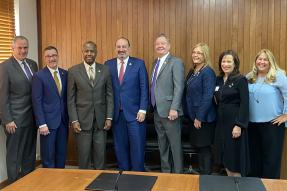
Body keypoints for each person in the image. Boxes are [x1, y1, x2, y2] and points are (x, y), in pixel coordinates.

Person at [67, 41, 114, 169]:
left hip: (101, 121)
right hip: (81, 121)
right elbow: (70, 99)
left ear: (96, 53)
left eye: (92, 51)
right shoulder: (73, 71)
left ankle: (100, 181)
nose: (89, 54)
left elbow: (109, 95)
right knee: (84, 156)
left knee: (100, 155)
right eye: (86, 51)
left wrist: (109, 117)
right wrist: (74, 120)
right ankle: (83, 182)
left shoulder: (105, 70)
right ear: (82, 52)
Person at [105, 38, 148, 171]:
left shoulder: (139, 64)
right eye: (119, 47)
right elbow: (106, 90)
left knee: (137, 147)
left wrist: (143, 109)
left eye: (124, 47)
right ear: (115, 48)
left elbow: (144, 88)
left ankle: (138, 176)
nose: (121, 49)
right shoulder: (108, 64)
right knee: (120, 147)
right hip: (117, 114)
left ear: (129, 48)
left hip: (135, 114)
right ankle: (124, 175)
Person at [0, 36, 38, 184]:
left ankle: (27, 183)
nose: (23, 51)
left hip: (32, 118)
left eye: (25, 47)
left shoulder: (33, 64)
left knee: (29, 154)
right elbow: (2, 96)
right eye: (20, 48)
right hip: (14, 120)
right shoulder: (4, 67)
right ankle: (13, 185)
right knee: (14, 155)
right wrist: (7, 119)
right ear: (13, 49)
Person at [247, 49, 287, 179]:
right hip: (252, 124)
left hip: (272, 124)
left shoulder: (278, 75)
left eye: (265, 59)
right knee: (254, 160)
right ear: (255, 61)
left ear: (270, 62)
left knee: (271, 161)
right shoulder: (250, 77)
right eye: (260, 59)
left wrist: (286, 115)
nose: (262, 62)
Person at [150, 33, 184, 173]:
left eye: (163, 43)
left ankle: (179, 174)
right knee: (162, 144)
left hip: (171, 112)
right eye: (157, 44)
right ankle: (166, 173)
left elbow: (179, 86)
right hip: (157, 110)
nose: (160, 46)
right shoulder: (155, 63)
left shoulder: (176, 62)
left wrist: (174, 108)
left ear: (169, 46)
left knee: (175, 146)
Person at [214, 50, 249, 177]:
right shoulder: (218, 80)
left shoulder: (241, 80)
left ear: (235, 64)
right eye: (223, 61)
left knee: (235, 159)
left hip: (234, 125)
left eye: (229, 61)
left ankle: (238, 185)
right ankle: (230, 184)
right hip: (221, 124)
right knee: (226, 157)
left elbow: (245, 104)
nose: (226, 64)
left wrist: (239, 125)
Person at [31, 46, 68, 168]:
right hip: (47, 124)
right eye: (48, 56)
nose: (52, 58)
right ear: (44, 58)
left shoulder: (65, 73)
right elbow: (37, 101)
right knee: (48, 157)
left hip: (63, 122)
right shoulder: (39, 76)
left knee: (61, 155)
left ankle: (60, 183)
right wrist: (41, 123)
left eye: (54, 55)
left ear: (58, 56)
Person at [183, 43, 216, 174]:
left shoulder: (208, 72)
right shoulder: (194, 70)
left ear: (205, 55)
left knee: (204, 148)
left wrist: (199, 117)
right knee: (199, 147)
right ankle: (202, 175)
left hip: (203, 118)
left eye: (200, 53)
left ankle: (206, 178)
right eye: (194, 52)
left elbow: (208, 96)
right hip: (193, 117)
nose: (196, 55)